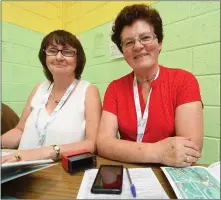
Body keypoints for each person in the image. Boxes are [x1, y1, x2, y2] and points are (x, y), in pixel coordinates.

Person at [97, 4, 203, 167]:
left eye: (145, 38)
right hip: (128, 172)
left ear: (159, 42)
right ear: (123, 52)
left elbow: (190, 150)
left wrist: (124, 149)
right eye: (129, 42)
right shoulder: (115, 88)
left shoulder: (184, 81)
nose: (138, 46)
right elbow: (103, 143)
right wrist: (158, 152)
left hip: (169, 174)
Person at [1, 30, 102, 163]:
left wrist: (45, 152)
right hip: (20, 166)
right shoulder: (39, 88)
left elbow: (91, 143)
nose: (59, 57)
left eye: (67, 52)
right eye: (52, 51)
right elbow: (20, 130)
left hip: (58, 174)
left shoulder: (88, 91)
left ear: (78, 59)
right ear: (45, 57)